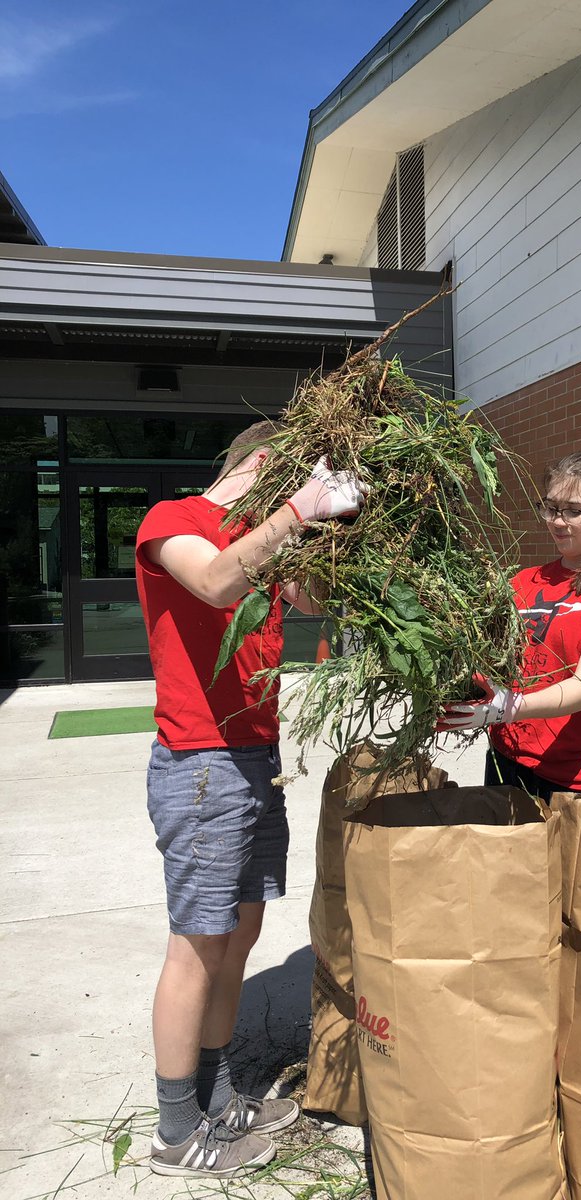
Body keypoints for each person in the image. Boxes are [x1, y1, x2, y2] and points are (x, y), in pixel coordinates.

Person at [135, 421, 366, 1178]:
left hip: (254, 761)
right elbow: (215, 580)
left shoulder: (261, 537)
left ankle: (219, 1089)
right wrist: (300, 506)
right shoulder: (175, 522)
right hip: (200, 764)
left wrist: (342, 530)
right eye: (290, 477)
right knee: (197, 943)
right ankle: (176, 1130)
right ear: (263, 466)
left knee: (240, 933)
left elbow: (311, 596)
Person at [438, 449, 581, 800]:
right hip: (506, 761)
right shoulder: (524, 581)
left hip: (575, 780)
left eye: (573, 510)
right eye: (550, 507)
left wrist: (509, 707)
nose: (556, 520)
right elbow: (488, 656)